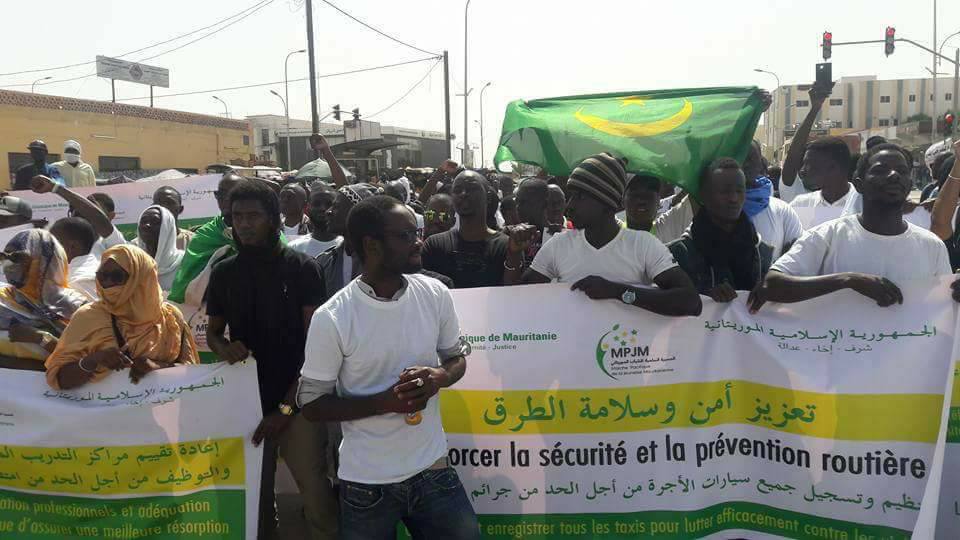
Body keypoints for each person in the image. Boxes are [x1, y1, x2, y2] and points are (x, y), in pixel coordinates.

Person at [298, 195, 479, 540]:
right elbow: (311, 405)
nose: (418, 242)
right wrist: (385, 403)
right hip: (367, 487)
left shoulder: (435, 293)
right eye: (406, 235)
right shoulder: (333, 317)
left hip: (433, 471)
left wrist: (439, 378)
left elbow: (457, 359)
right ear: (372, 245)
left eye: (417, 232)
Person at [205, 181, 337, 540]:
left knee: (316, 496)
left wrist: (286, 409)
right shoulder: (223, 272)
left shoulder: (302, 268)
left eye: (253, 216)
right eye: (237, 217)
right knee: (255, 501)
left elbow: (316, 348)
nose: (244, 224)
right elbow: (213, 332)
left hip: (299, 405)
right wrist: (222, 347)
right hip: (246, 405)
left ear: (274, 220)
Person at [749, 143, 951, 312]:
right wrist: (848, 281)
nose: (893, 175)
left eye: (902, 171)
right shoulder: (826, 237)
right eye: (881, 170)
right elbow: (771, 285)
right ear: (859, 184)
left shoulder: (932, 247)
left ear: (909, 183)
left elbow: (943, 308)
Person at [508, 153, 701, 317]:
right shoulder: (559, 244)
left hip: (627, 358)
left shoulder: (642, 245)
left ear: (606, 203)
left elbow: (690, 301)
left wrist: (618, 292)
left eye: (580, 197)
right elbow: (516, 299)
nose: (570, 206)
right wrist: (514, 253)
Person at [44, 245, 199, 389]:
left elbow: (192, 372)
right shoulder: (88, 317)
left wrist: (158, 367)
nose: (108, 283)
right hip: (105, 413)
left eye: (117, 276)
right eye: (102, 276)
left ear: (142, 278)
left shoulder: (170, 317)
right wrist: (94, 360)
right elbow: (58, 379)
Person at [667, 159, 773, 302]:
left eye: (739, 190)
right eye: (725, 191)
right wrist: (703, 298)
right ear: (704, 196)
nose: (734, 198)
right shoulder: (678, 254)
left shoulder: (763, 254)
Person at [0, 229, 90, 367]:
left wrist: (39, 338)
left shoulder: (78, 308)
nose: (8, 264)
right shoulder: (3, 300)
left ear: (45, 261)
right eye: (4, 257)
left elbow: (89, 359)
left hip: (60, 385)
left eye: (17, 257)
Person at [167, 172, 246, 305]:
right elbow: (182, 289)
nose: (225, 199)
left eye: (233, 194)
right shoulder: (205, 236)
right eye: (220, 194)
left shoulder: (264, 232)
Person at [421, 171, 510, 288]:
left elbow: (513, 292)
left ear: (488, 196)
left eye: (472, 188)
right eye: (457, 190)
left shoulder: (505, 245)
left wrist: (514, 256)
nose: (463, 194)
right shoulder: (434, 245)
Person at [30, 175, 125, 259]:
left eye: (91, 212)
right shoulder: (61, 242)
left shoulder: (112, 241)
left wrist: (55, 188)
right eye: (79, 211)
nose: (85, 216)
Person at [317, 183, 382, 294]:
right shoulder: (324, 261)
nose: (328, 212)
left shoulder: (382, 263)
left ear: (357, 213)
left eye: (336, 207)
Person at [742, 141, 804, 258]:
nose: (746, 164)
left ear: (760, 164)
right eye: (741, 157)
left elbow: (797, 257)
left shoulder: (782, 210)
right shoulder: (716, 208)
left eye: (751, 158)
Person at [789, 137, 859, 228]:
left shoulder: (863, 204)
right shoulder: (799, 204)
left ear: (833, 167)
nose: (802, 170)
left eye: (809, 164)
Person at [779, 85, 833, 203]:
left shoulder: (842, 198)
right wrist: (814, 109)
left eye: (811, 165)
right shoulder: (793, 191)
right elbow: (793, 154)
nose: (803, 170)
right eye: (802, 164)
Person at [618, 174, 694, 243]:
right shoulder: (612, 234)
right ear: (623, 201)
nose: (642, 200)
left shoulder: (667, 228)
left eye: (649, 194)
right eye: (635, 194)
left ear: (659, 202)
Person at [131, 206, 184, 291]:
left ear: (167, 227)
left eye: (155, 222)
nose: (147, 225)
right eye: (143, 221)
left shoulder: (184, 262)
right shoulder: (132, 263)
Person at [49, 217, 100, 301]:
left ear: (72, 246)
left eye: (52, 243)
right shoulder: (98, 264)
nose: (48, 247)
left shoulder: (76, 283)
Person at [289, 183, 343, 258]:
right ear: (307, 208)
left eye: (329, 204)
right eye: (316, 204)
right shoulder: (294, 248)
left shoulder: (348, 248)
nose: (323, 208)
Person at [153, 186, 195, 250]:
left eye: (169, 203)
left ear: (180, 209)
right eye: (158, 203)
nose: (163, 207)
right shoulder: (137, 245)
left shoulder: (193, 241)